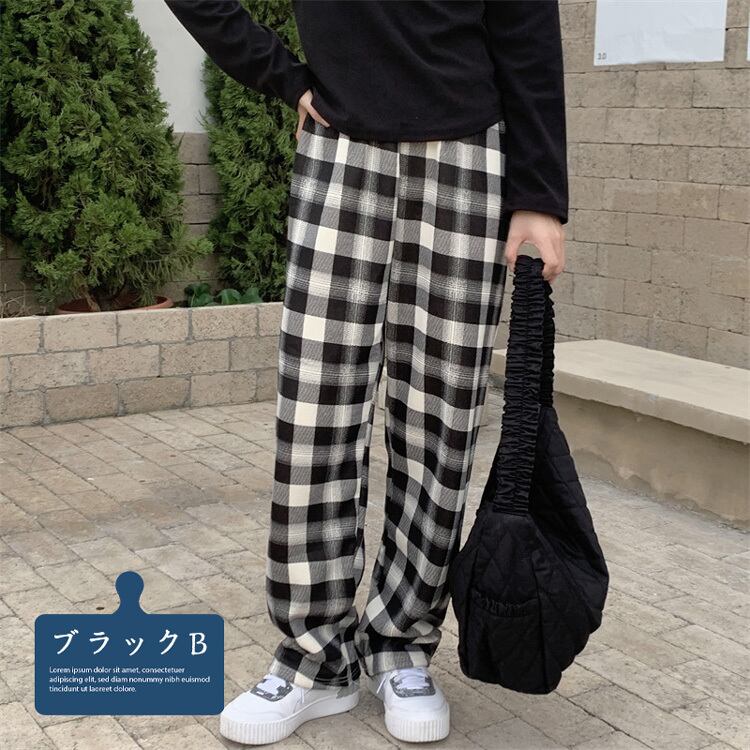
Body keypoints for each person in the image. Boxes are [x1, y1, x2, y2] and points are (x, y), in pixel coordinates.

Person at [165, 1, 568, 744]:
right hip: (341, 146)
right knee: (315, 415)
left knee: (441, 418)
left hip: (468, 152)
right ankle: (315, 656)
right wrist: (282, 76)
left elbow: (525, 23)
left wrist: (539, 192)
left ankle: (402, 643)